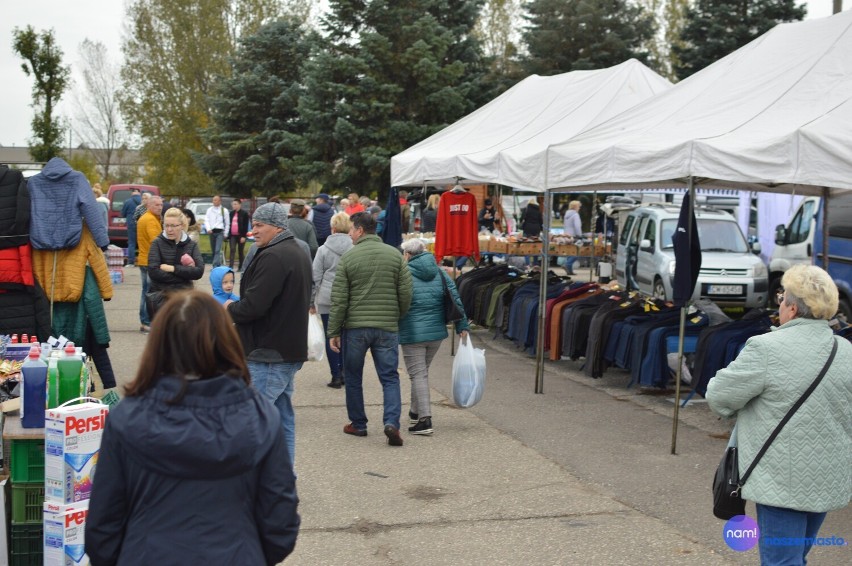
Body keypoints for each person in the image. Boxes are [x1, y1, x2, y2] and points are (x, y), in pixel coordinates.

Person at [85, 291, 300, 565]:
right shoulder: (261, 417)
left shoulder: (127, 418)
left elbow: (102, 526)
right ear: (226, 342)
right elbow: (280, 523)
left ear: (158, 345)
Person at [706, 265, 851, 566]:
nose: (780, 303)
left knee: (782, 562)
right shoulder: (846, 351)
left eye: (782, 298)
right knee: (794, 557)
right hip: (827, 477)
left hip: (781, 481)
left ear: (793, 308)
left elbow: (719, 396)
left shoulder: (766, 348)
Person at [226, 203, 311, 466]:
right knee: (281, 419)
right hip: (283, 349)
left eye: (260, 225)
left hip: (268, 352)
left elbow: (254, 306)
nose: (254, 231)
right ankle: (282, 482)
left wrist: (231, 308)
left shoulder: (275, 256)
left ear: (277, 226)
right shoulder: (295, 251)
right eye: (253, 225)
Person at [328, 212, 413, 446]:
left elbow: (340, 299)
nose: (350, 235)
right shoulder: (395, 256)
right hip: (386, 327)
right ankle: (392, 423)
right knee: (389, 377)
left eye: (351, 230)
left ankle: (358, 424)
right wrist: (397, 315)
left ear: (360, 230)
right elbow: (406, 292)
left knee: (353, 376)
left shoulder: (349, 258)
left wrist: (333, 331)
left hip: (355, 328)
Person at [399, 238, 469, 435]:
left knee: (418, 374)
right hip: (436, 333)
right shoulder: (439, 272)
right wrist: (462, 324)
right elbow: (454, 297)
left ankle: (425, 420)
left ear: (408, 255)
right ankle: (415, 411)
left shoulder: (404, 273)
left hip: (412, 333)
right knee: (421, 372)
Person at [310, 212, 353, 389]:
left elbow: (315, 277)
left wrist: (311, 301)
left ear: (333, 228)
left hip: (328, 298)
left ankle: (336, 375)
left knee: (331, 336)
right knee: (347, 337)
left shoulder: (323, 249)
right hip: (350, 298)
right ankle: (346, 372)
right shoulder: (355, 248)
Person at [147, 208, 204, 320]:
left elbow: (198, 271)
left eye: (173, 226)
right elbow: (153, 272)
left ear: (182, 226)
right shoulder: (157, 243)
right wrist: (184, 276)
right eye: (166, 225)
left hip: (185, 299)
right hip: (161, 299)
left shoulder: (191, 245)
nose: (169, 229)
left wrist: (173, 269)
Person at [136, 196, 163, 333]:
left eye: (161, 204)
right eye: (157, 205)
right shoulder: (150, 220)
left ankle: (145, 321)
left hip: (144, 259)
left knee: (146, 291)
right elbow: (156, 241)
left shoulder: (148, 218)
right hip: (149, 261)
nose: (160, 207)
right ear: (149, 205)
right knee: (149, 293)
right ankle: (146, 322)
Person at [204, 195, 229, 267]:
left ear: (220, 201)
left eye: (216, 200)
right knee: (213, 250)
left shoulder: (224, 210)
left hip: (220, 232)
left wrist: (226, 233)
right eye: (213, 200)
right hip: (212, 232)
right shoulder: (209, 210)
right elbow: (206, 220)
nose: (214, 201)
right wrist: (208, 229)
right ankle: (218, 264)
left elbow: (227, 223)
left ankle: (214, 265)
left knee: (217, 249)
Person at [227, 198, 250, 270]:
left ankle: (241, 266)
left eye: (235, 204)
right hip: (233, 235)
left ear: (240, 204)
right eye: (233, 204)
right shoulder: (231, 213)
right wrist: (228, 235)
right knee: (232, 249)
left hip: (241, 235)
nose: (234, 206)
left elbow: (246, 225)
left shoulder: (244, 214)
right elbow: (229, 224)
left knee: (240, 251)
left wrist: (243, 236)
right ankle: (230, 266)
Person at [561, 200, 583, 275]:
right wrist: (579, 235)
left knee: (570, 252)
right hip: (574, 235)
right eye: (579, 206)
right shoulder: (575, 215)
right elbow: (577, 226)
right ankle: (567, 264)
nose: (579, 208)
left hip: (567, 235)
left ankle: (569, 270)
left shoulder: (566, 215)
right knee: (576, 252)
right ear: (575, 207)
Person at [121, 189, 141, 265]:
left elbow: (123, 214)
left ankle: (131, 262)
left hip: (131, 223)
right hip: (142, 223)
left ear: (132, 194)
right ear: (139, 193)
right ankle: (142, 261)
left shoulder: (127, 201)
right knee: (142, 242)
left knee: (131, 243)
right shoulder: (143, 201)